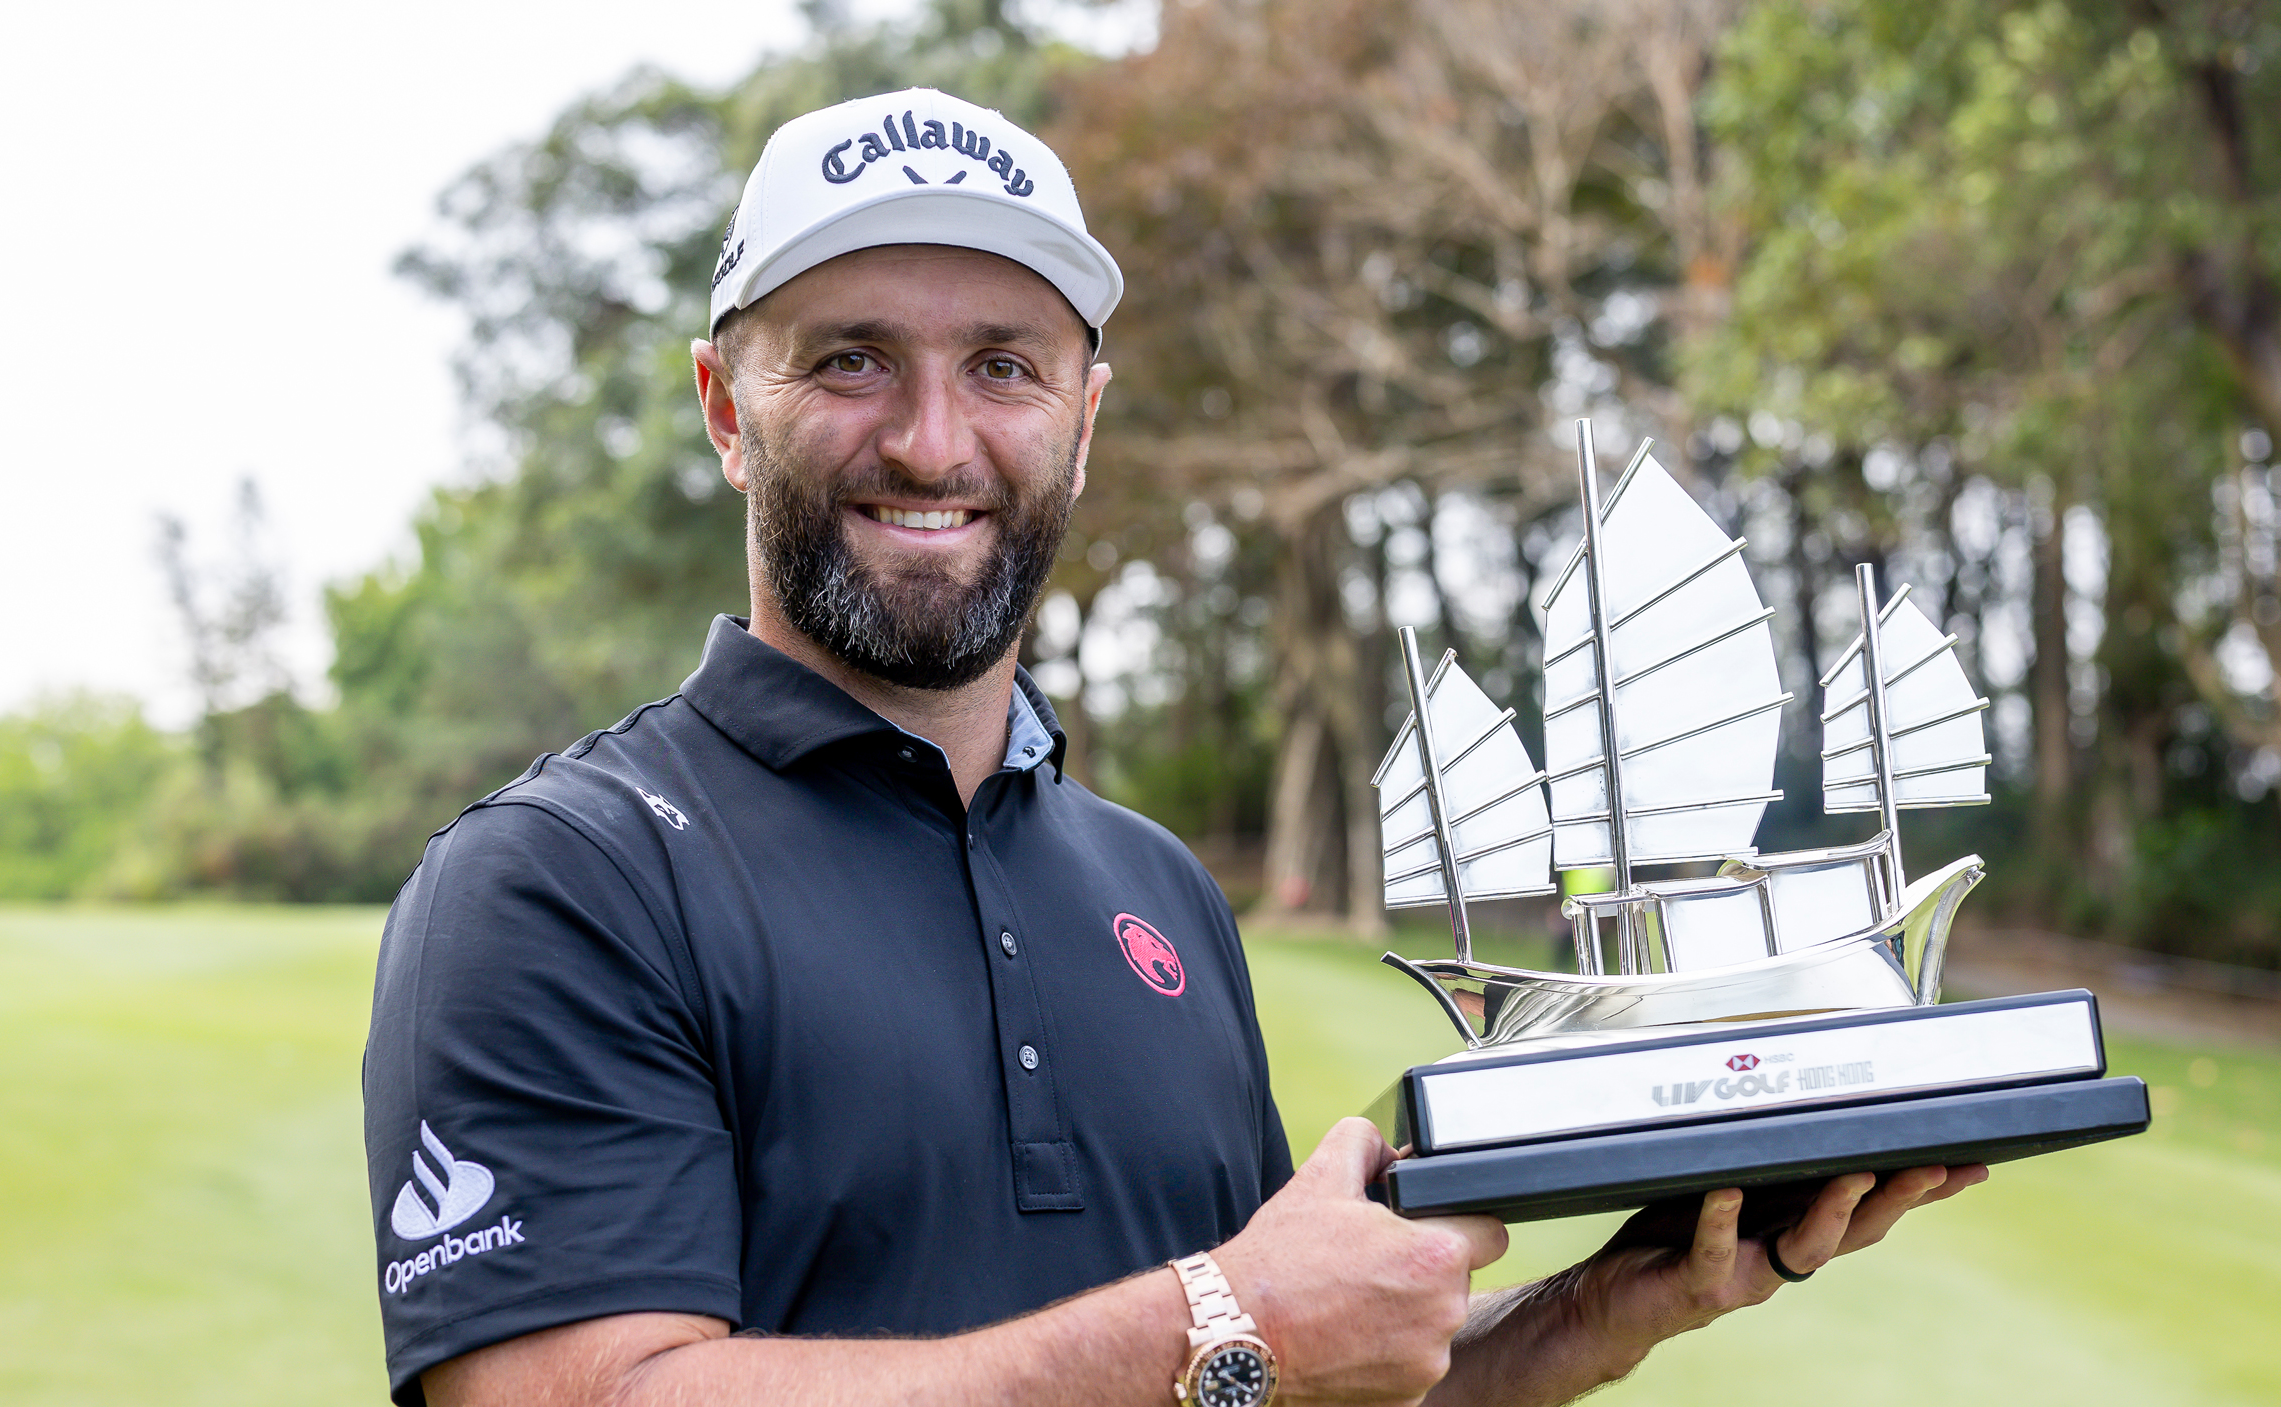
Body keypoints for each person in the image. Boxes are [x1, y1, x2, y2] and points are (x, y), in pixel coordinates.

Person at [361, 87, 1985, 1407]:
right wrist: (1227, 1316)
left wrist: (1595, 1314)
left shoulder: (1155, 891)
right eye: (851, 357)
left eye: (1004, 366)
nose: (933, 440)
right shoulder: (560, 881)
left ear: (1084, 414)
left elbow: (1258, 1387)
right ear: (727, 408)